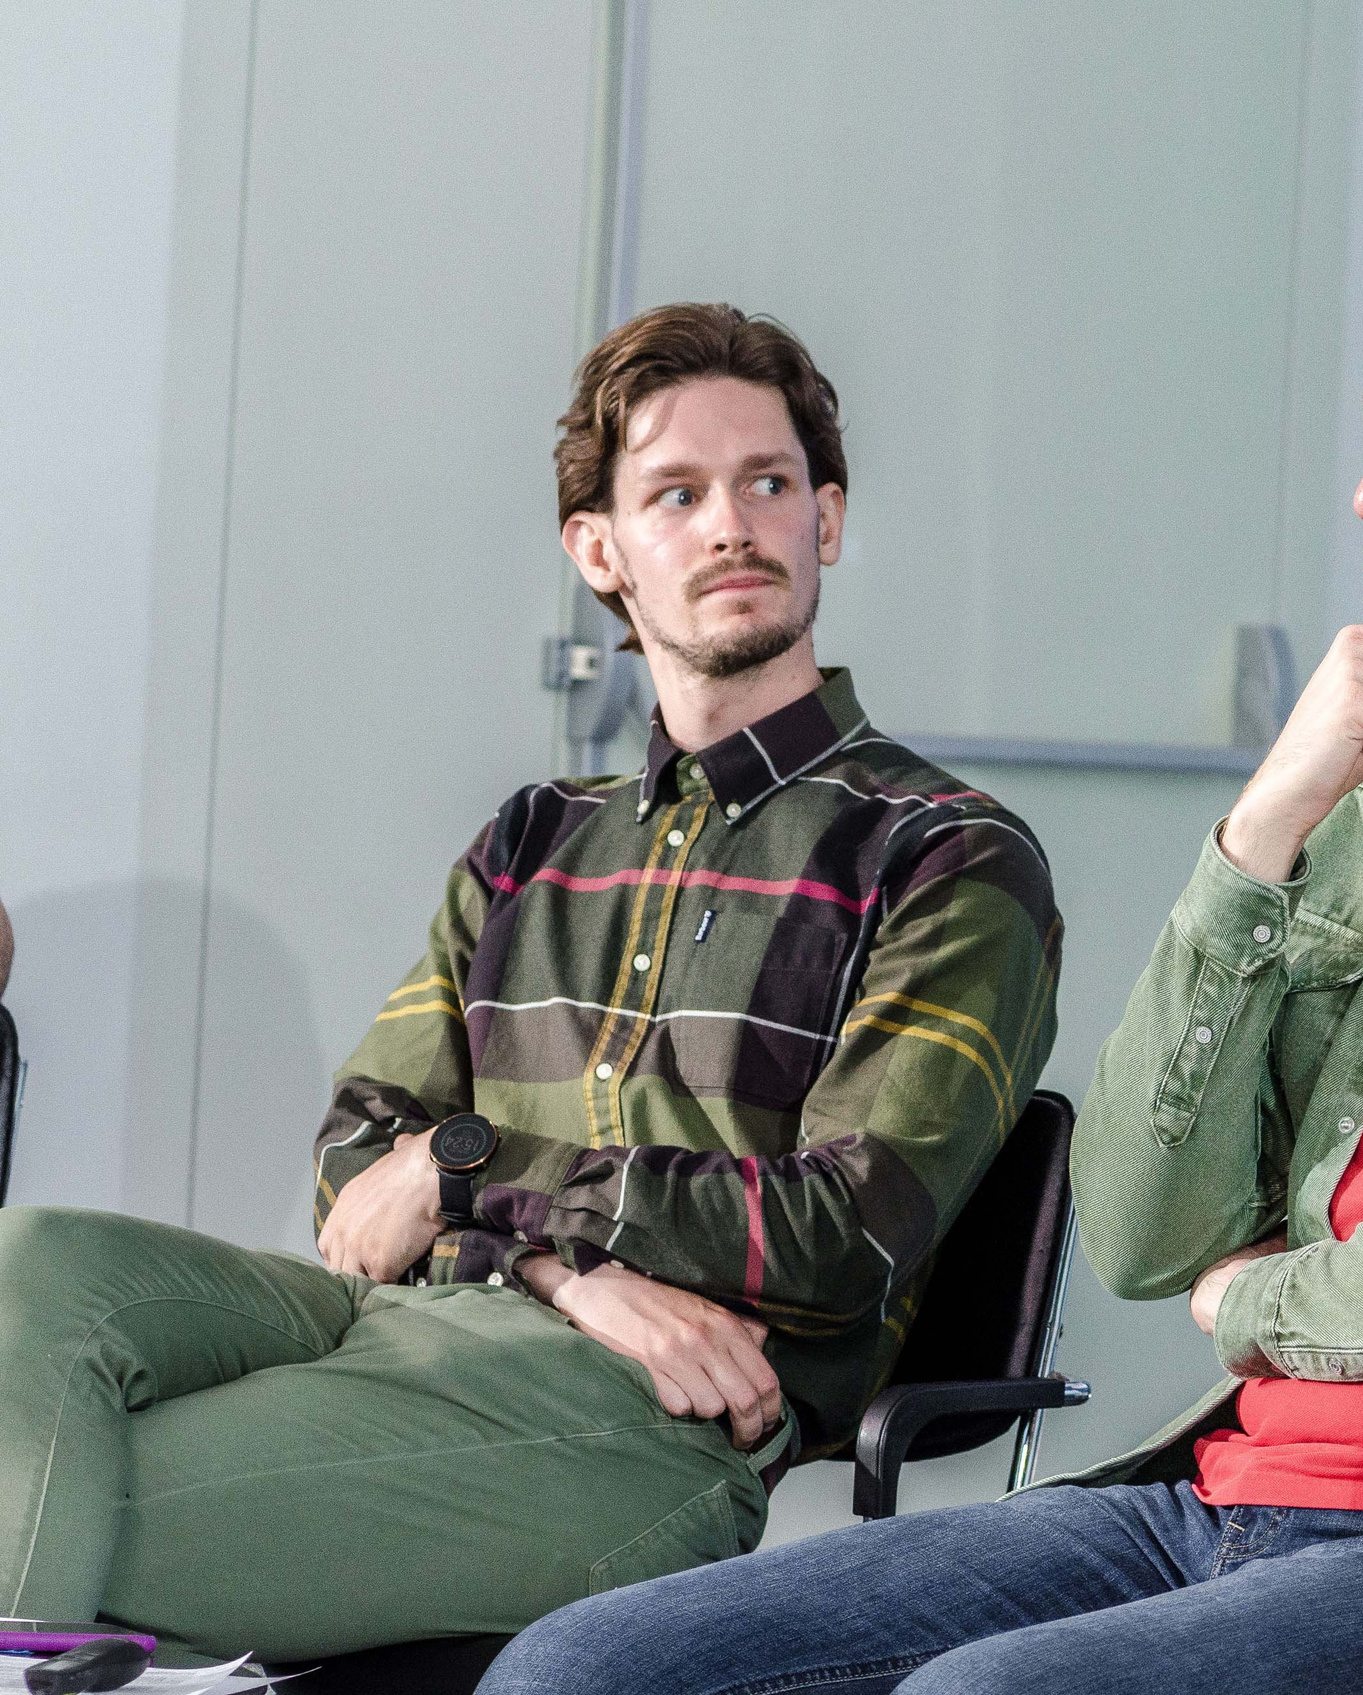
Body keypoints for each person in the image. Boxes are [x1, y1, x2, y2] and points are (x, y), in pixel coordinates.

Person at [483, 212, 1363, 1695]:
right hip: (1211, 1491)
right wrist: (1264, 822)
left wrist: (1265, 1305)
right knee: (580, 1665)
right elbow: (1143, 1220)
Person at [0, 304, 1062, 1661]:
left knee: (55, 1485)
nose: (732, 523)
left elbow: (837, 1236)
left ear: (828, 519)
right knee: (31, 1266)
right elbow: (356, 1168)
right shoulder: (533, 839)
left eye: (770, 483)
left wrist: (469, 1171)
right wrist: (562, 1264)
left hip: (646, 1425)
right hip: (401, 1319)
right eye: (677, 492)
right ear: (600, 551)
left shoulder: (944, 853)